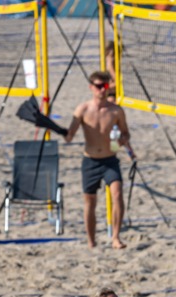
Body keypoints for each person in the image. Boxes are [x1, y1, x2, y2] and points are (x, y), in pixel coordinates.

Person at [65, 71, 130, 249]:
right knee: (90, 201)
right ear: (91, 87)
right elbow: (69, 136)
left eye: (105, 86)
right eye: (99, 86)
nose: (102, 90)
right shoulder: (83, 109)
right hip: (90, 161)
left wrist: (122, 140)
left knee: (117, 194)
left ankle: (115, 237)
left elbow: (126, 133)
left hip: (110, 159)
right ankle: (91, 241)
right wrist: (54, 127)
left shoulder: (116, 110)